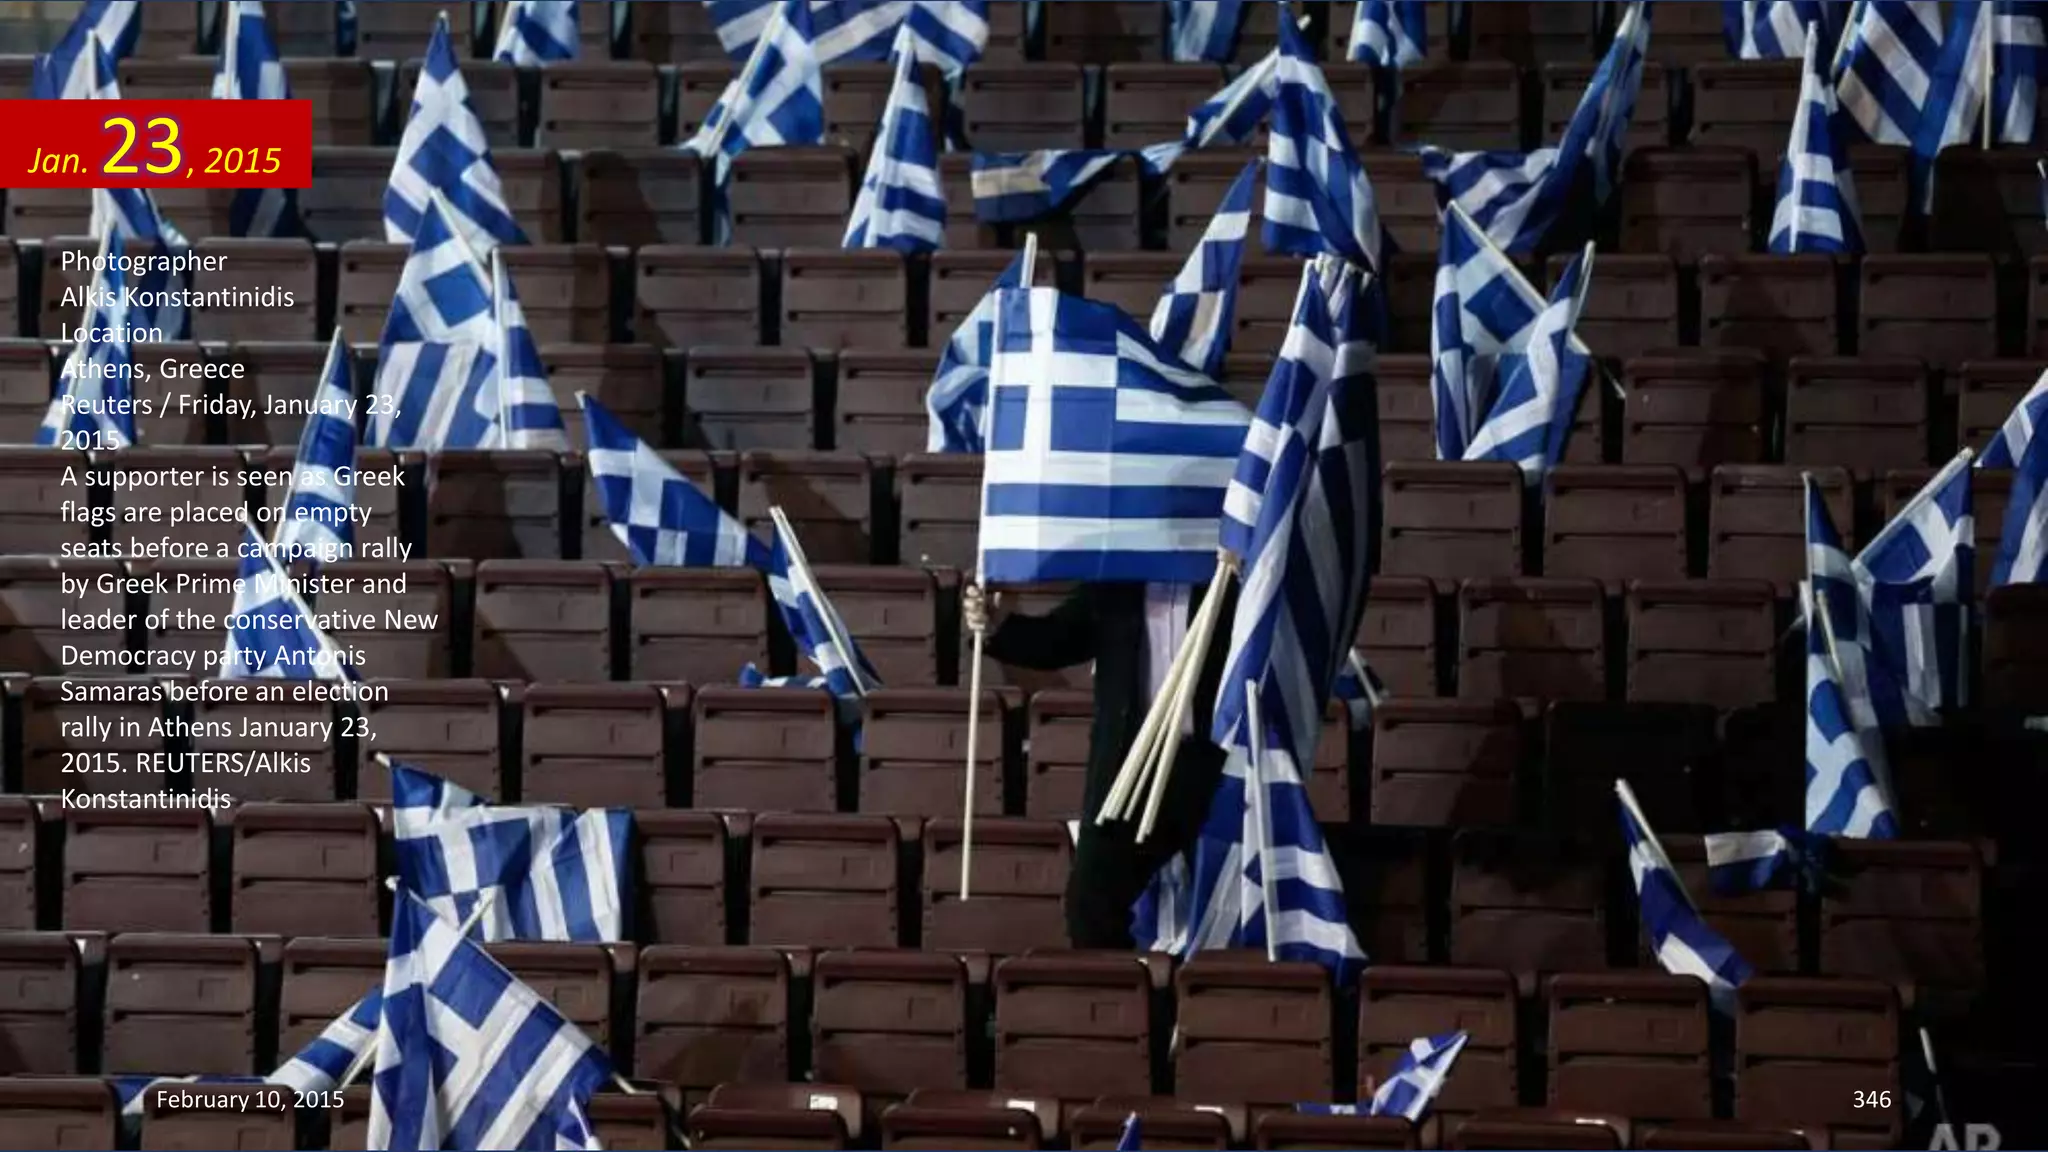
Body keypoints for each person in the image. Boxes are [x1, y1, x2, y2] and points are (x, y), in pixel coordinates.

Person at [963, 579, 1234, 949]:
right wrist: (997, 625)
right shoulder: (1117, 577)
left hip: (1220, 765)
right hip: (1130, 766)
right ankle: (1122, 1005)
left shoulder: (1234, 576)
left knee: (1233, 906)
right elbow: (1059, 639)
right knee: (1090, 905)